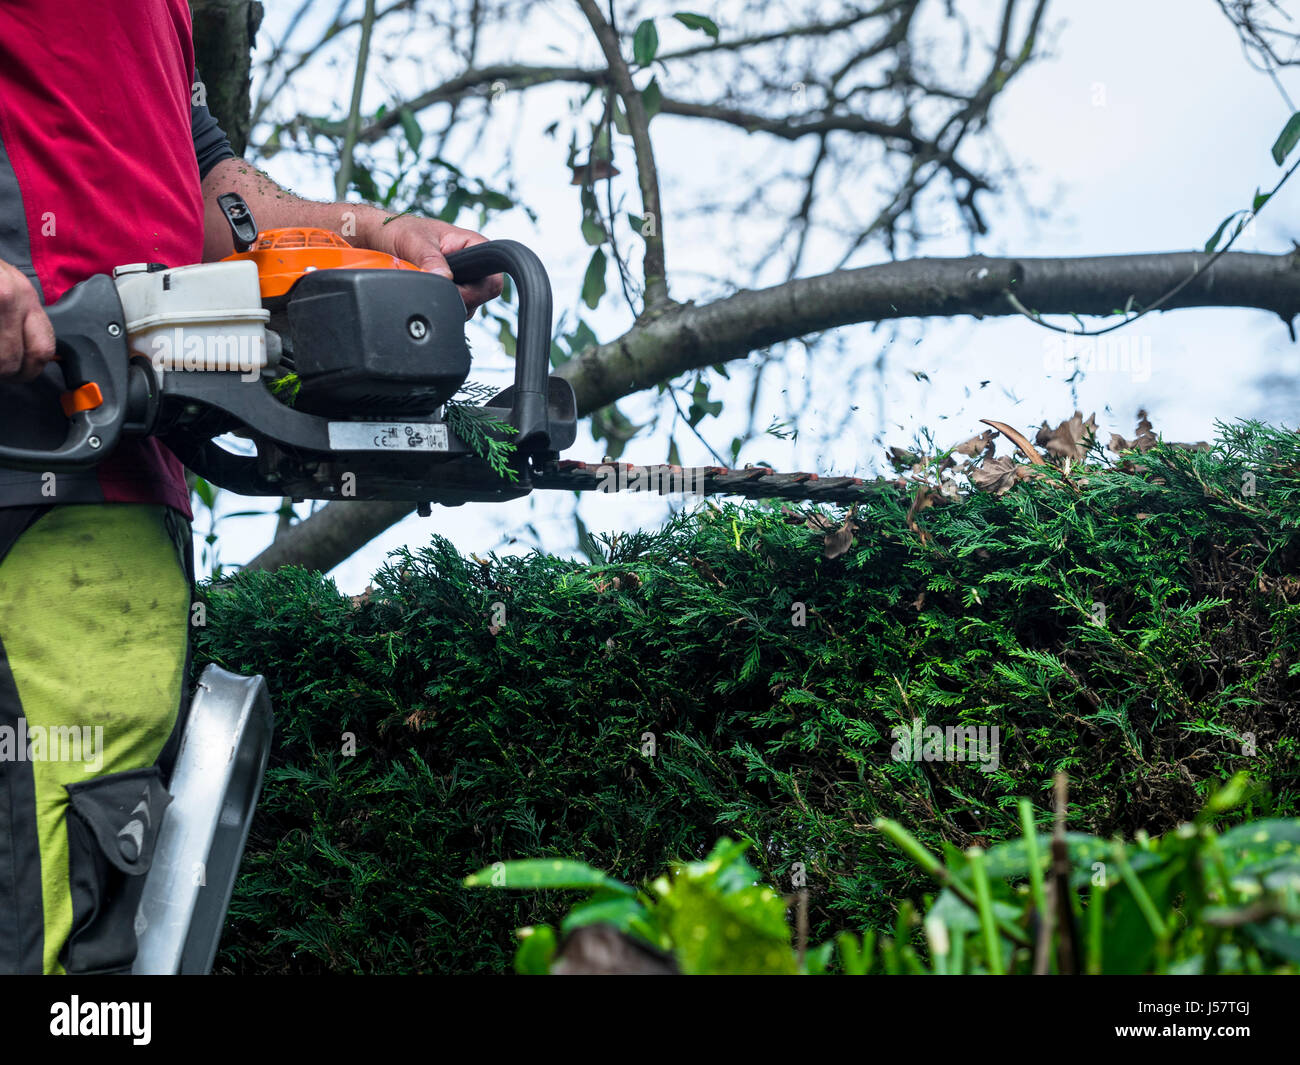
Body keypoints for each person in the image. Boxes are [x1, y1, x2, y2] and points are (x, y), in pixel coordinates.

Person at [0, 2, 501, 974]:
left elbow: (202, 188)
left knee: (80, 943)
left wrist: (372, 234)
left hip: (119, 510)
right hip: (22, 486)